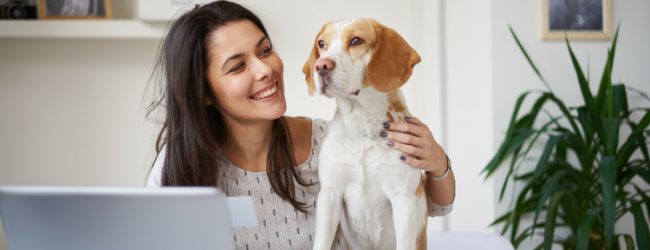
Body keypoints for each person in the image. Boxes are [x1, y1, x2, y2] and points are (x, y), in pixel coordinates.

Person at [145, 1, 456, 249]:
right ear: (204, 93)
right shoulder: (179, 164)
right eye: (238, 66)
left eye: (265, 50)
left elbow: (431, 207)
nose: (265, 69)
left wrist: (438, 163)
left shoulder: (330, 141)